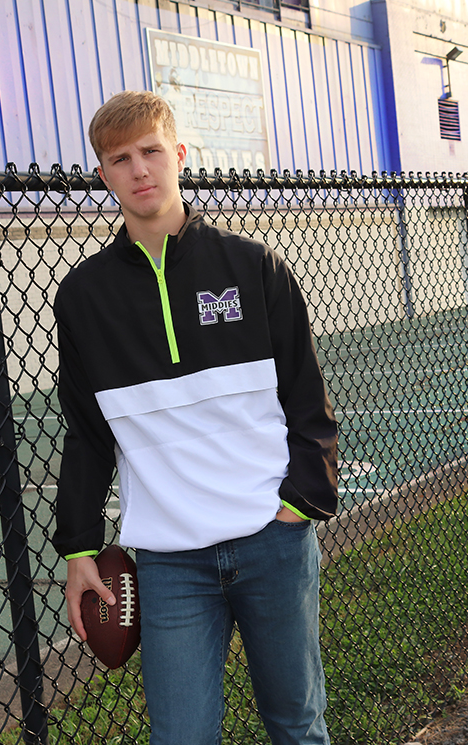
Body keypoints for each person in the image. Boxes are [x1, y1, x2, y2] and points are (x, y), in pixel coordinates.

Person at [52, 89, 339, 745]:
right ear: (103, 174)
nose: (139, 170)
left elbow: (307, 398)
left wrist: (299, 502)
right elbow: (87, 432)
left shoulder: (252, 266)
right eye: (120, 159)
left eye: (150, 151)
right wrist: (78, 546)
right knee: (180, 737)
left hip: (271, 540)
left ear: (178, 155)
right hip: (169, 560)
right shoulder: (84, 296)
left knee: (297, 724)